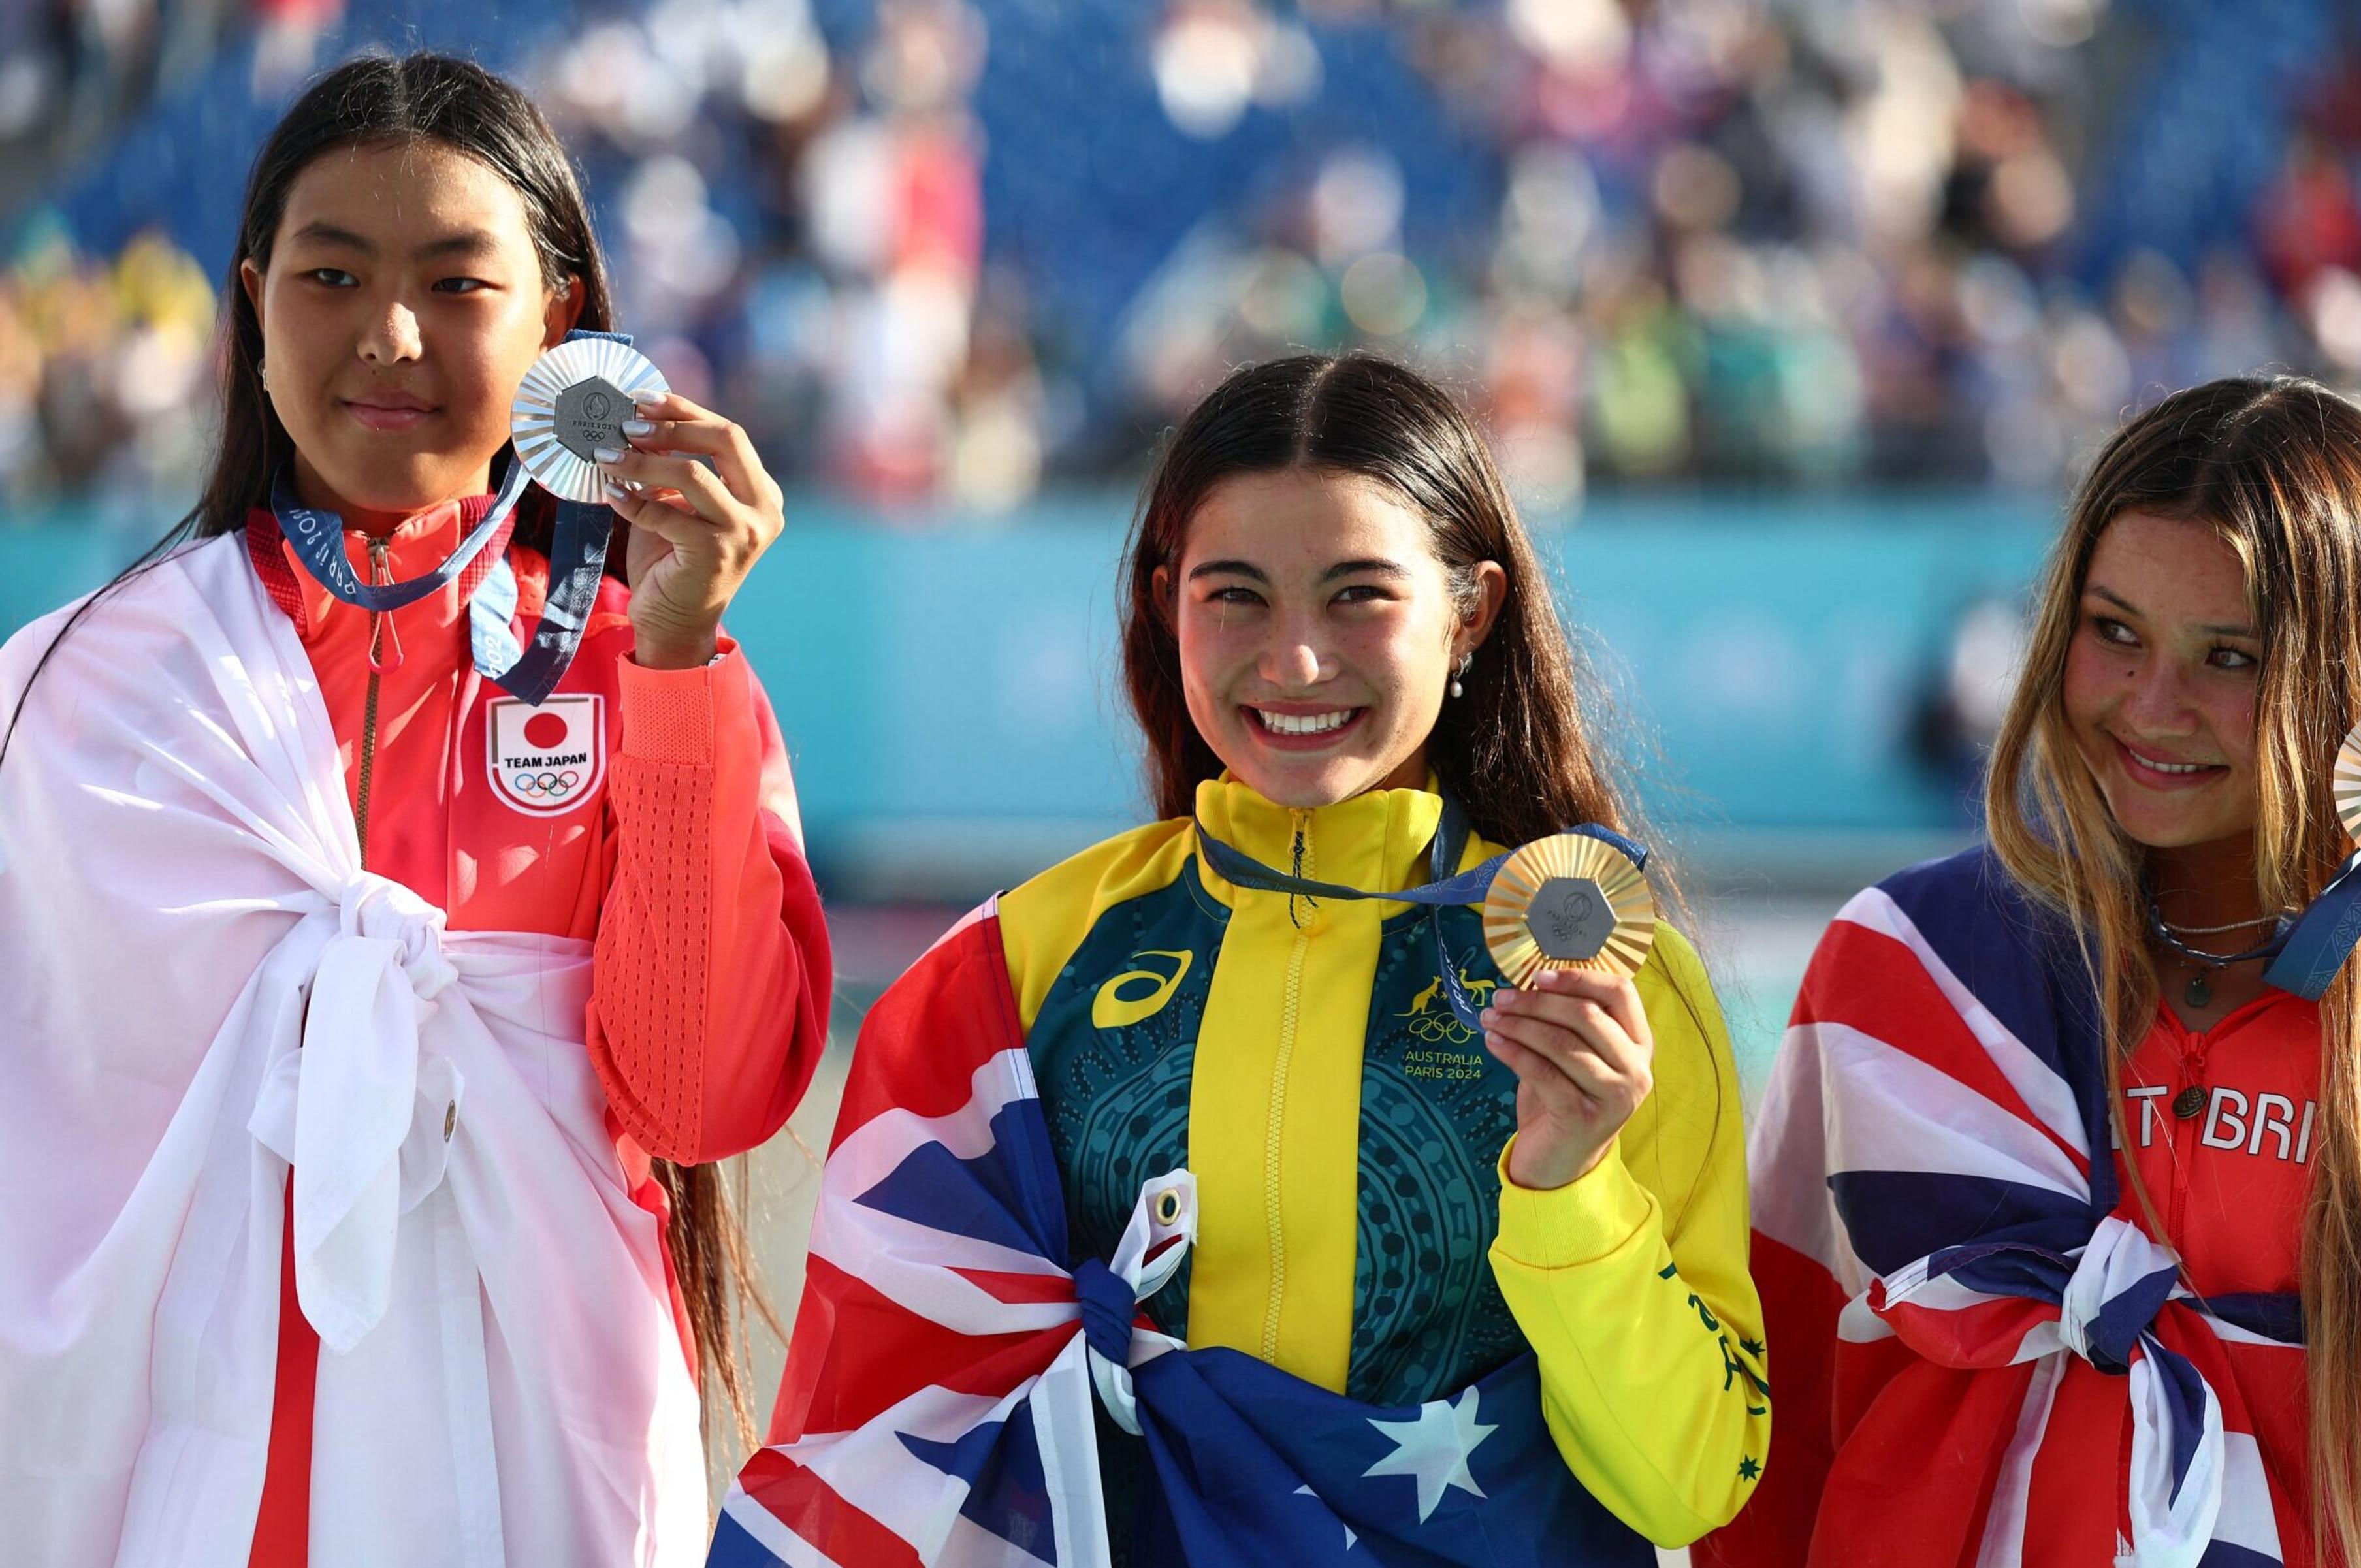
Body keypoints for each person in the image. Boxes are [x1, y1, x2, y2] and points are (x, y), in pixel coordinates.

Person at [723, 353, 1768, 1565]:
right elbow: (886, 1423)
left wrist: (1571, 1186)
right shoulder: (1014, 968)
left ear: (1471, 608)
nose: (1296, 661)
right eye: (1237, 596)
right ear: (1168, 599)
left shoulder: (1609, 981)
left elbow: (1690, 1483)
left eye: (1357, 595)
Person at [0, 53, 831, 1567]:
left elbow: (701, 1097)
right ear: (251, 305)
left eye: (458, 284)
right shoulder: (76, 691)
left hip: (536, 1492)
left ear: (563, 325)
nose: (390, 337)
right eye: (331, 275)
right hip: (161, 1491)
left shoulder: (652, 671)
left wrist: (675, 658)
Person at [1699, 376, 2361, 1568]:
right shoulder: (1910, 966)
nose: (2153, 705)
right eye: (2113, 631)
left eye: (2229, 657)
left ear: (2350, 680)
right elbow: (1773, 1425)